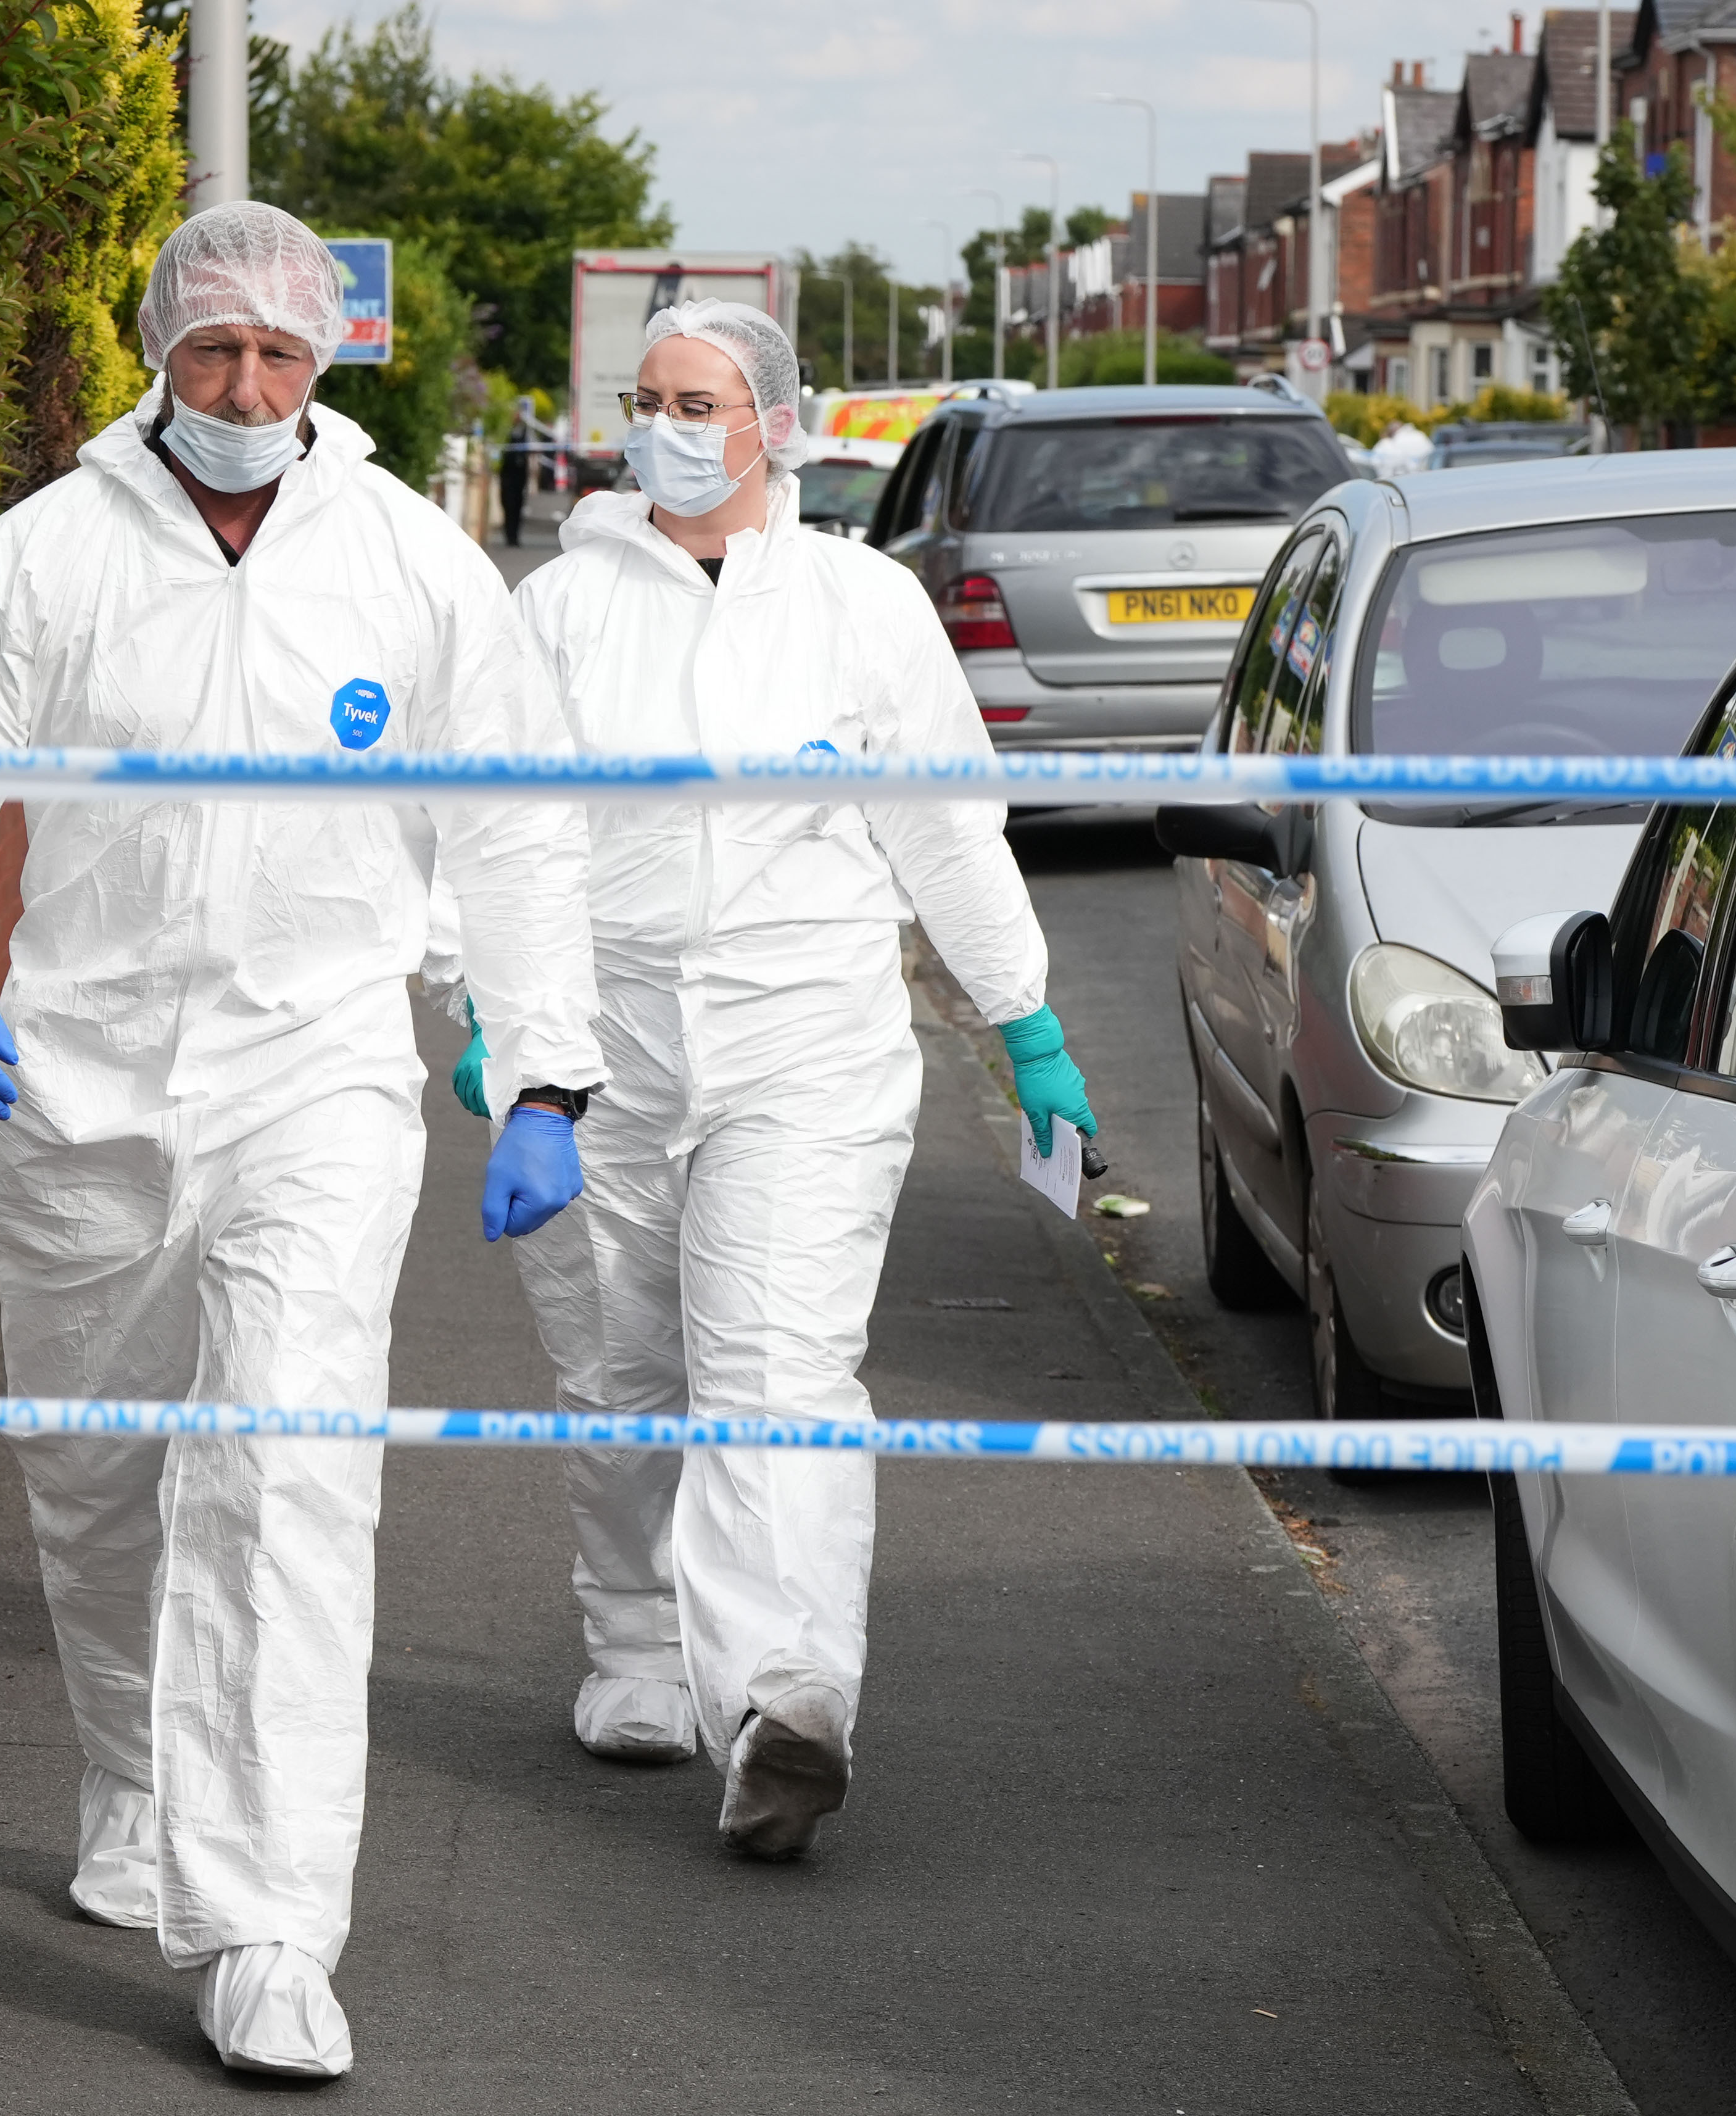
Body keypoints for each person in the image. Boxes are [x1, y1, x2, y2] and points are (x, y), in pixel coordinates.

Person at [0, 200, 605, 2080]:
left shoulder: (416, 572)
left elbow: (512, 836)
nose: (245, 388)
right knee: (97, 1490)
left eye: (277, 355)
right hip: (73, 1083)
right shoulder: (35, 564)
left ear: (327, 359)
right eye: (211, 353)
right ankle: (133, 1793)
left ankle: (266, 1926)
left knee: (279, 1478)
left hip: (315, 1082)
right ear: (155, 352)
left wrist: (546, 1071)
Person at [494, 297, 1096, 1860]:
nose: (663, 425)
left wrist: (1019, 1016)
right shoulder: (560, 608)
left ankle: (785, 1695)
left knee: (773, 1370)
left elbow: (945, 827)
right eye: (643, 398)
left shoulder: (860, 602)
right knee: (623, 1370)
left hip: (805, 1040)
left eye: (696, 399)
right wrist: (498, 1020)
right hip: (603, 1048)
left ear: (775, 420)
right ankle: (633, 1643)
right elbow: (491, 828)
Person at [499, 394, 539, 547]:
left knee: (517, 507)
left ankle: (515, 537)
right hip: (507, 475)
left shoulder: (527, 432)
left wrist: (533, 477)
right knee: (507, 505)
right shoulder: (505, 431)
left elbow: (534, 451)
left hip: (520, 475)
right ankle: (509, 537)